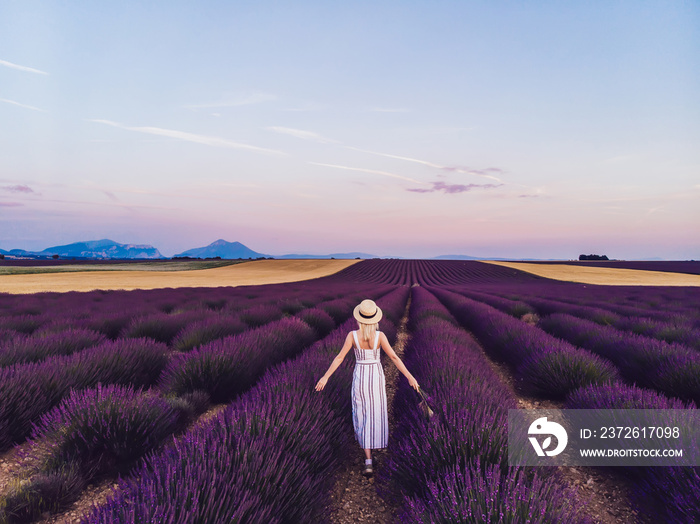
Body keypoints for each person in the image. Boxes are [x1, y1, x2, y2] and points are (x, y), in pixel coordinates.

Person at [314, 299, 420, 476]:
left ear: (359, 319)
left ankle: (368, 460)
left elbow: (339, 358)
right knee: (375, 412)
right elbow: (394, 357)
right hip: (375, 377)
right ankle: (375, 448)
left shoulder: (352, 336)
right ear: (375, 319)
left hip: (360, 376)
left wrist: (326, 377)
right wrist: (409, 376)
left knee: (362, 412)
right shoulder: (380, 336)